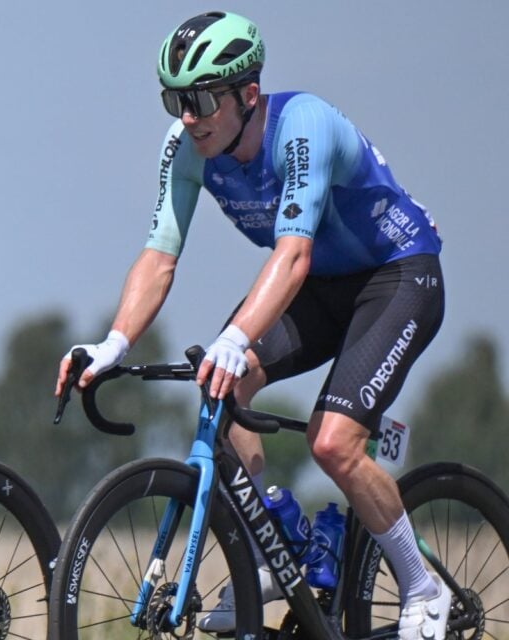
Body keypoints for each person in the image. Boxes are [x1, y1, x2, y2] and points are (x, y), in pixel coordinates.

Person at [55, 11, 446, 638]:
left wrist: (236, 339)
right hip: (319, 287)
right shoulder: (187, 147)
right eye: (174, 100)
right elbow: (159, 255)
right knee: (220, 386)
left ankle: (422, 589)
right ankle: (272, 552)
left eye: (201, 98)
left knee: (332, 441)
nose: (187, 115)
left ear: (248, 95)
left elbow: (292, 254)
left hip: (396, 277)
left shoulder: (303, 127)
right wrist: (113, 342)